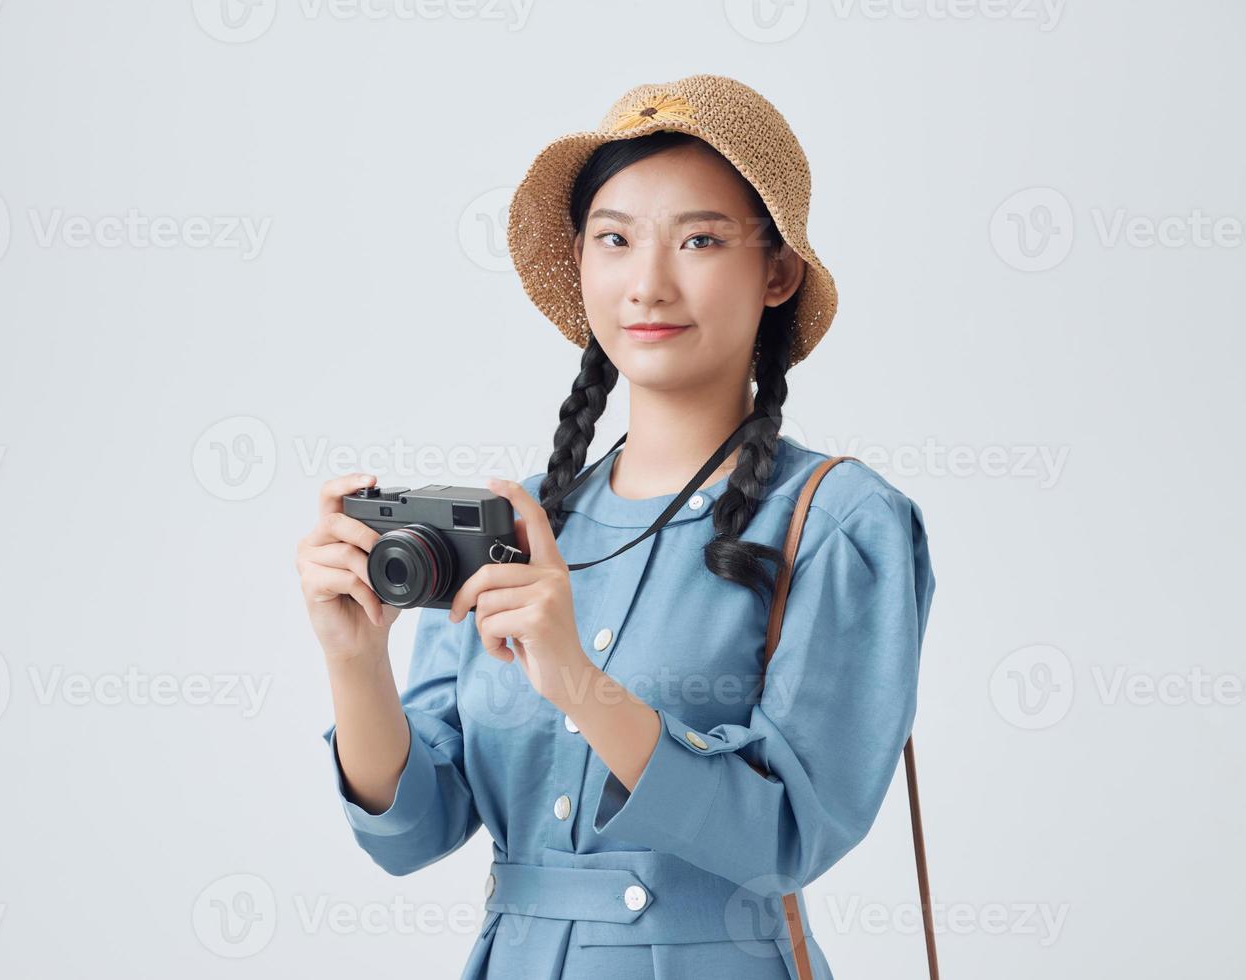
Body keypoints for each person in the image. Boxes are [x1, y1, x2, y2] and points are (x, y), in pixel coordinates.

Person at [296, 73, 936, 980]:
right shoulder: (516, 522)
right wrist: (352, 656)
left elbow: (787, 838)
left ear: (777, 272)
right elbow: (408, 836)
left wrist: (575, 681)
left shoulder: (837, 522)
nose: (647, 282)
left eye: (701, 239)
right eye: (613, 239)